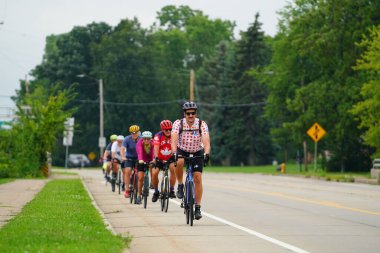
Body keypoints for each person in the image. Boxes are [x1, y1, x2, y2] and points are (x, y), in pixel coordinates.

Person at [171, 101, 211, 220]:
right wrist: (174, 153)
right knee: (179, 161)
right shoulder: (178, 123)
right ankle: (180, 185)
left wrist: (206, 153)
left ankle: (197, 207)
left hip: (197, 151)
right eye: (188, 113)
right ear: (184, 114)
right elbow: (173, 140)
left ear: (196, 113)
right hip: (182, 149)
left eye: (193, 113)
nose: (190, 116)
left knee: (197, 178)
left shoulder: (201, 124)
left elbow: (206, 141)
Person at [151, 120, 176, 203]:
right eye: (166, 130)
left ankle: (171, 190)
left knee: (173, 169)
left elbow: (175, 145)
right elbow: (156, 147)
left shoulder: (173, 135)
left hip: (170, 158)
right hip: (159, 158)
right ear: (162, 130)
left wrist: (174, 155)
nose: (169, 131)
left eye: (170, 129)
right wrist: (156, 157)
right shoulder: (158, 136)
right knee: (154, 173)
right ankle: (156, 192)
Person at [135, 131, 154, 204]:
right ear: (142, 139)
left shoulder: (152, 143)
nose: (146, 140)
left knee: (152, 166)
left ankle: (152, 181)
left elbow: (153, 153)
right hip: (141, 160)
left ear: (150, 139)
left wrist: (153, 160)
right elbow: (139, 152)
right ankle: (139, 196)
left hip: (149, 159)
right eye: (145, 139)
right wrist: (140, 160)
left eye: (148, 139)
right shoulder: (139, 143)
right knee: (140, 178)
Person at [122, 125, 141, 198]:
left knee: (140, 174)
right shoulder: (127, 139)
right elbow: (122, 149)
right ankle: (127, 190)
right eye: (132, 133)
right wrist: (123, 157)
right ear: (131, 133)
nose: (134, 134)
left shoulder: (141, 139)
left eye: (136, 133)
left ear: (138, 132)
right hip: (129, 158)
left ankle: (139, 190)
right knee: (127, 171)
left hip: (139, 159)